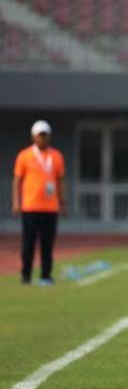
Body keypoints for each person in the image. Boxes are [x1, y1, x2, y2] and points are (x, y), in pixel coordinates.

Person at [12, 120, 66, 286]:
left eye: (45, 135)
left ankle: (46, 275)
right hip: (30, 206)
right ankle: (26, 275)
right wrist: (16, 202)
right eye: (40, 135)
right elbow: (17, 180)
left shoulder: (56, 156)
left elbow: (60, 181)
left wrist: (62, 201)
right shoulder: (24, 156)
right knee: (28, 243)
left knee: (47, 244)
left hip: (50, 207)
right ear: (33, 136)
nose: (43, 138)